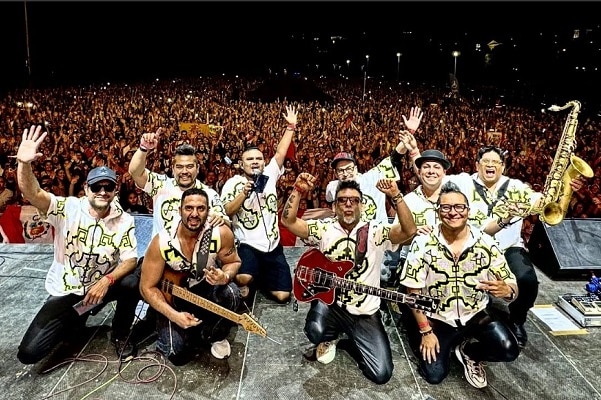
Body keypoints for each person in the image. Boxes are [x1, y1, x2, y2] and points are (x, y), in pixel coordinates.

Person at [401, 136, 586, 349]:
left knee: (527, 281)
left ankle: (517, 319)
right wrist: (415, 153)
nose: (490, 165)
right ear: (477, 165)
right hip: (474, 247)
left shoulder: (516, 187)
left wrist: (566, 187)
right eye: (485, 161)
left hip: (507, 247)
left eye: (495, 162)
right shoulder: (463, 182)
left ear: (503, 166)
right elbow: (432, 175)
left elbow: (545, 203)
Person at [15, 125, 140, 363]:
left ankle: (121, 333)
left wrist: (106, 281)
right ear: (86, 189)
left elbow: (130, 259)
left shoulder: (124, 220)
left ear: (115, 190)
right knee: (29, 354)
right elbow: (34, 194)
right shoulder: (67, 208)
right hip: (68, 291)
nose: (102, 191)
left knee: (132, 281)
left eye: (108, 187)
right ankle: (76, 317)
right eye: (96, 187)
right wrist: (24, 164)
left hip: (102, 288)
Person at [281, 174, 417, 384]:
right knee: (314, 332)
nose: (348, 205)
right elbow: (288, 221)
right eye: (342, 200)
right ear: (334, 206)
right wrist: (298, 190)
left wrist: (396, 195)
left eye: (354, 200)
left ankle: (352, 340)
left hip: (364, 311)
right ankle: (331, 336)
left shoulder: (375, 231)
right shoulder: (324, 228)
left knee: (381, 374)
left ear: (361, 205)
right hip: (332, 304)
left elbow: (410, 230)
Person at [399, 181, 520, 389]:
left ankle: (470, 352)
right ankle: (438, 339)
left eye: (459, 207)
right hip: (438, 317)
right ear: (438, 212)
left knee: (508, 349)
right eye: (446, 207)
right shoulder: (423, 243)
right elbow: (413, 293)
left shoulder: (486, 242)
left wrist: (508, 291)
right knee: (434, 375)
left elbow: (511, 284)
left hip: (475, 314)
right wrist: (426, 331)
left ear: (468, 211)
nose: (453, 212)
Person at [139, 188, 241, 365]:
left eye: (201, 208)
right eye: (189, 208)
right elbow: (146, 287)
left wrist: (225, 276)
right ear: (180, 210)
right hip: (173, 297)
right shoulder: (161, 241)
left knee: (232, 293)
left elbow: (234, 262)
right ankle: (170, 321)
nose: (194, 214)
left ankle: (213, 334)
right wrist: (173, 316)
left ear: (208, 211)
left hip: (203, 287)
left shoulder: (220, 233)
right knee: (174, 351)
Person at [220, 105, 298, 303]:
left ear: (264, 162)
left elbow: (280, 153)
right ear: (241, 164)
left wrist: (290, 127)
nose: (255, 162)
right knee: (243, 278)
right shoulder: (233, 183)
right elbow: (226, 211)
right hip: (247, 245)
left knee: (283, 296)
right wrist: (243, 194)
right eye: (249, 159)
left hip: (272, 246)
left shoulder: (269, 175)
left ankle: (261, 275)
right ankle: (250, 273)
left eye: (258, 158)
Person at [128, 129, 228, 237]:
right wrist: (143, 148)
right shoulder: (160, 185)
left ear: (197, 168)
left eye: (189, 166)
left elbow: (226, 224)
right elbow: (135, 172)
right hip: (160, 247)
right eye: (179, 167)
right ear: (173, 168)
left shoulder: (209, 194)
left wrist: (221, 221)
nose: (184, 171)